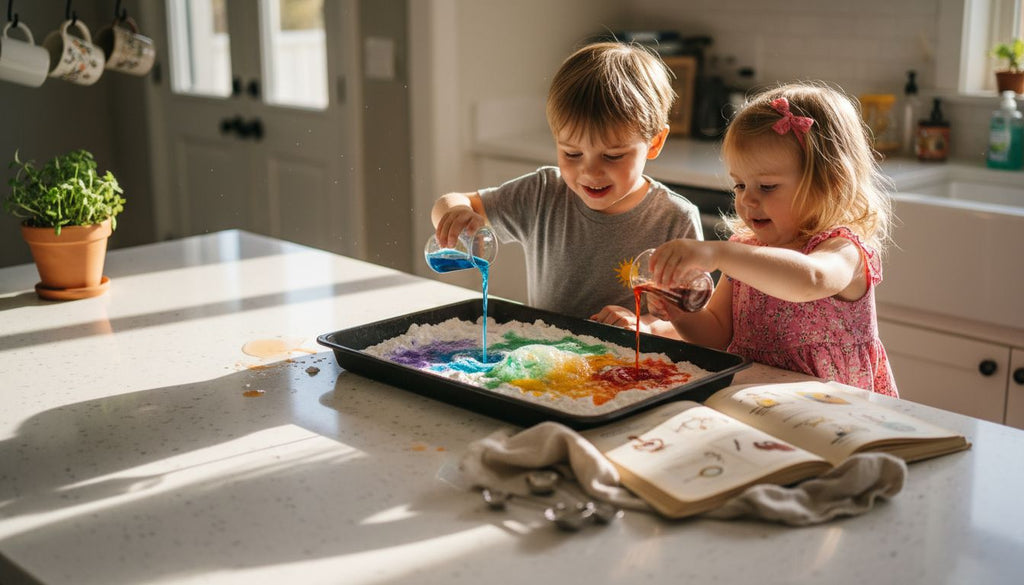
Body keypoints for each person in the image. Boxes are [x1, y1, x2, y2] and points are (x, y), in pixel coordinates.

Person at [593, 82, 898, 396]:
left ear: (829, 183)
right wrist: (681, 311)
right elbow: (715, 335)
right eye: (739, 186)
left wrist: (719, 254)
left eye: (766, 187)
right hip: (758, 402)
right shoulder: (747, 251)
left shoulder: (842, 249)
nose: (747, 200)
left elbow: (810, 277)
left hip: (837, 409)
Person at [431, 41, 702, 322]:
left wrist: (644, 325)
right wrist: (454, 213)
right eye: (572, 153)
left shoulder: (675, 219)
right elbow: (454, 202)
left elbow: (694, 321)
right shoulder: (543, 193)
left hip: (632, 362)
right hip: (549, 360)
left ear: (654, 143)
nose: (590, 171)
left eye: (612, 156)